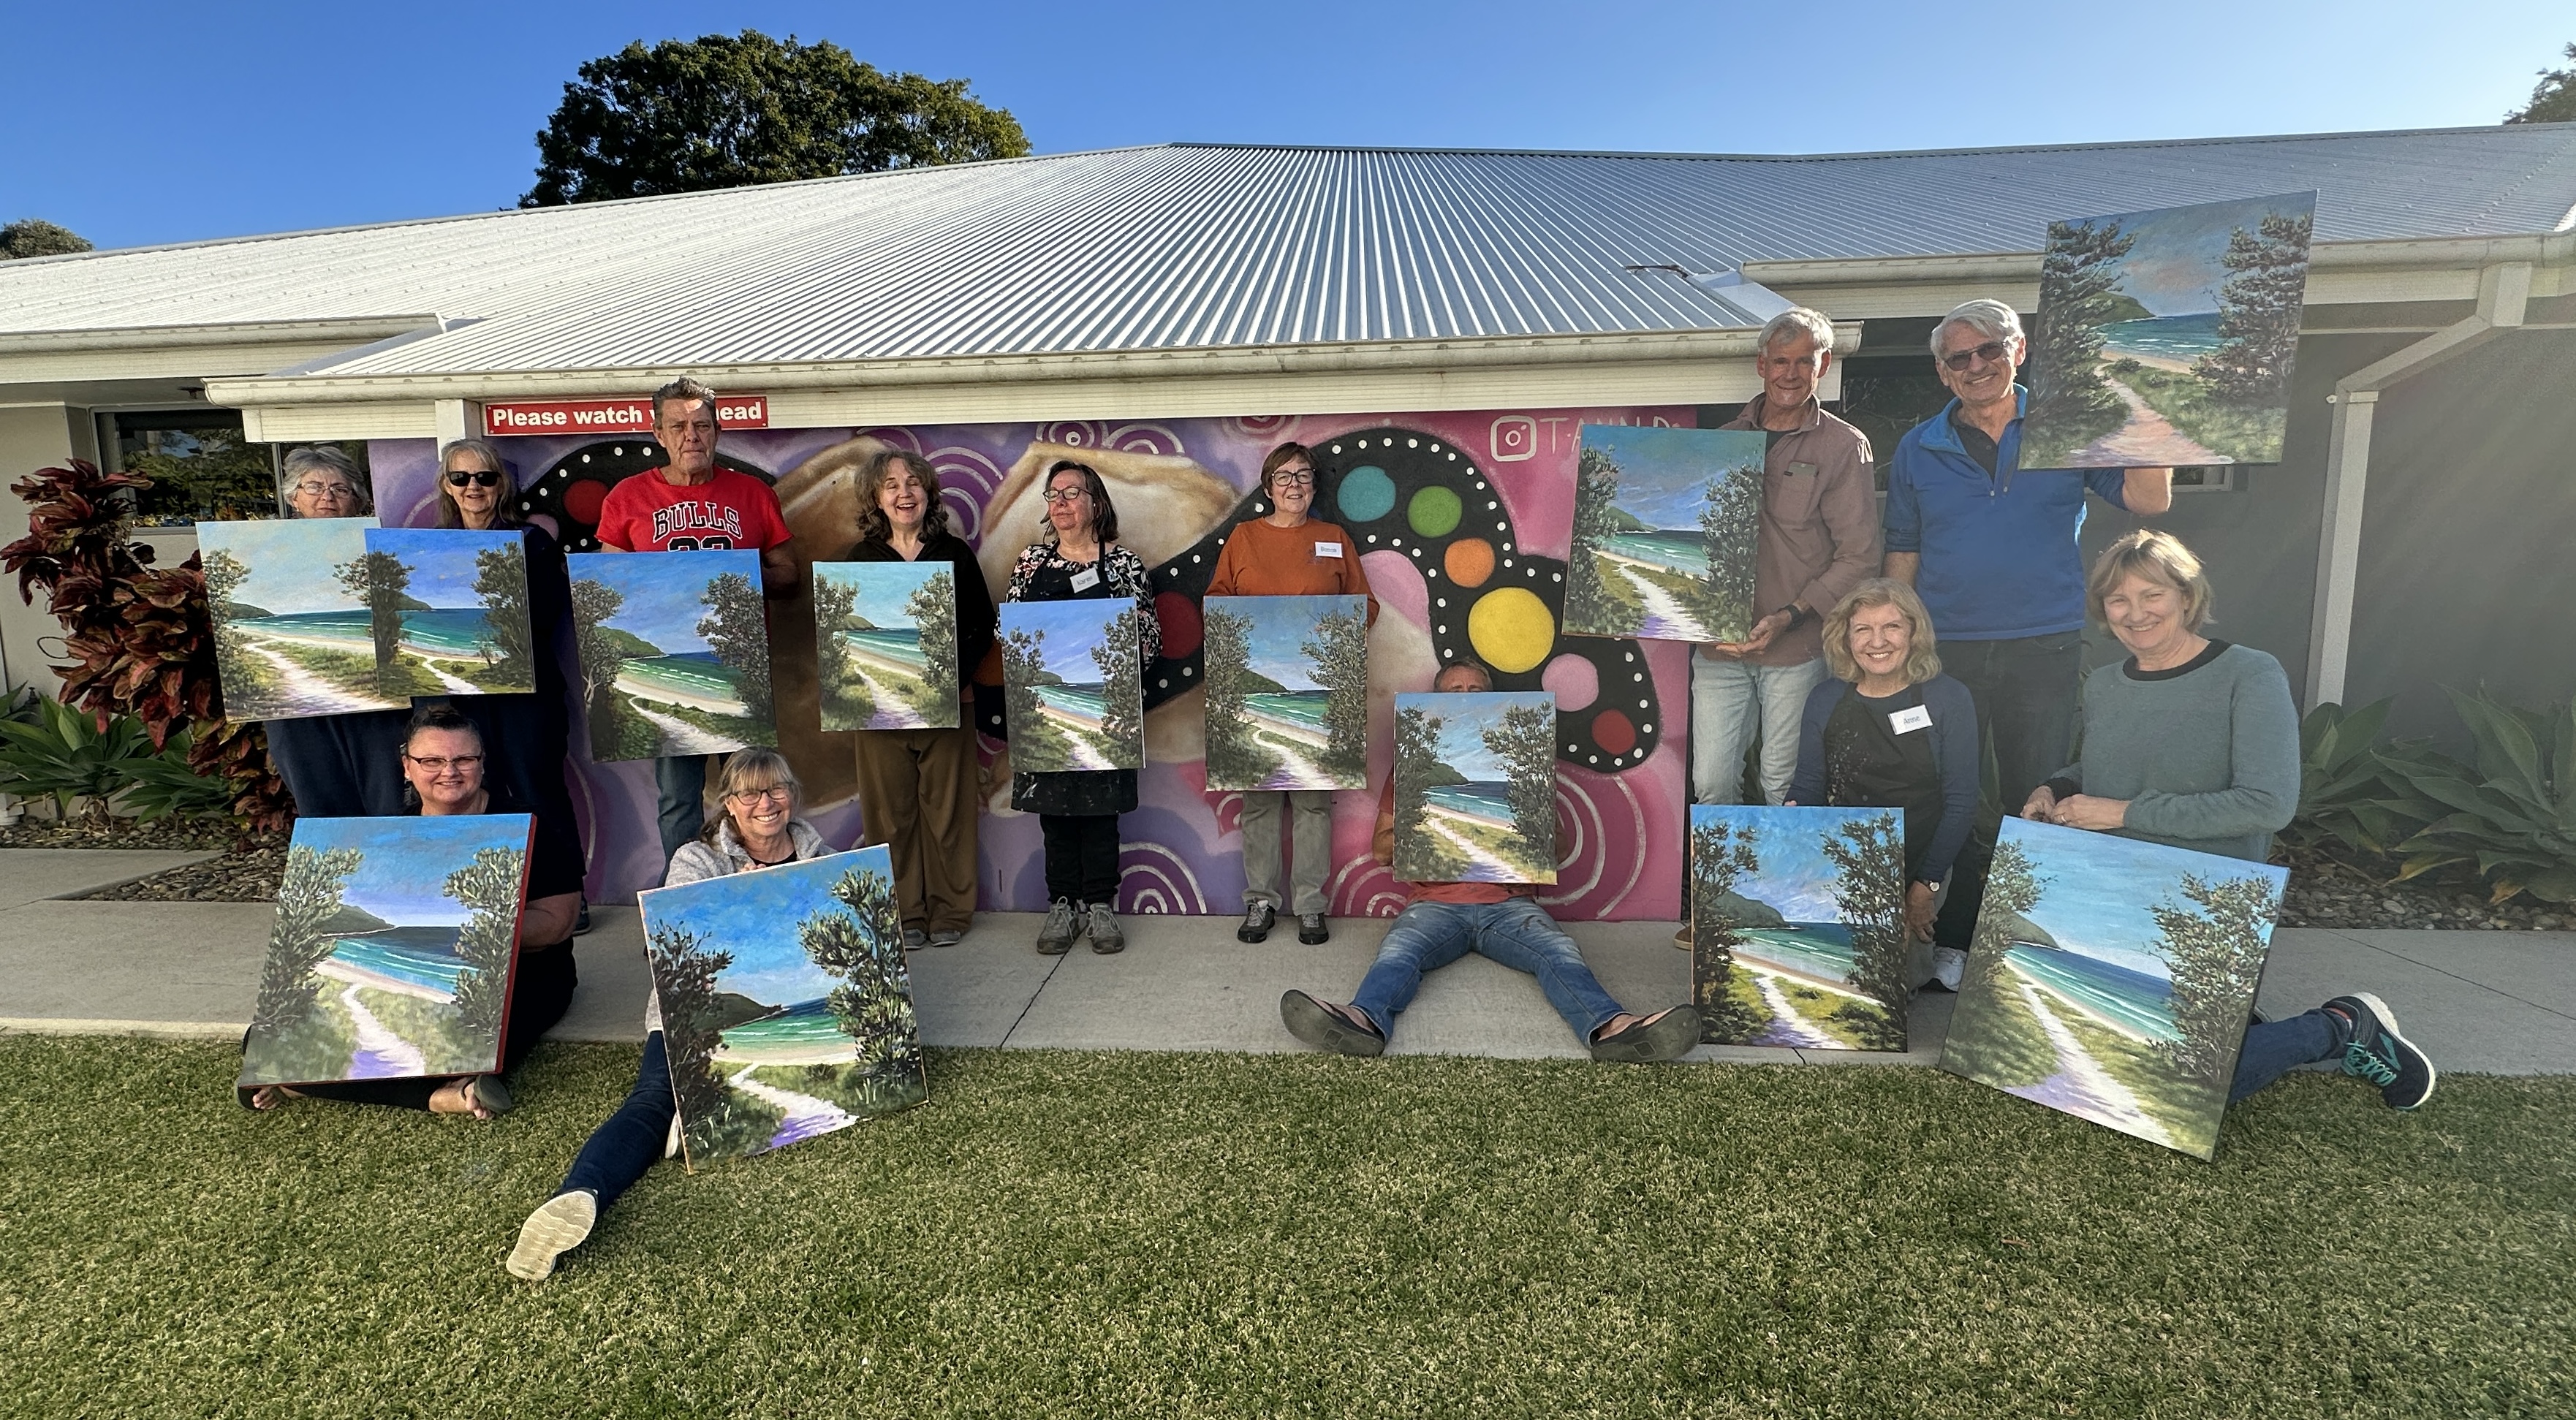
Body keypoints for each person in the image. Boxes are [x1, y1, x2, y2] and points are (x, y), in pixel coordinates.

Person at [2020, 531, 2433, 1112]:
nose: (2135, 613)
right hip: (2115, 893)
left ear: (2187, 597)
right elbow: (2103, 765)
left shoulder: (2249, 673)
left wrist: (2124, 812)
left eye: (2152, 594)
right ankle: (2233, 1020)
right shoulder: (2108, 684)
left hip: (2211, 900)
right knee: (2088, 1061)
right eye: (2118, 600)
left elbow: (2268, 802)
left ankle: (2344, 1024)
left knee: (2176, 1092)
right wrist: (2056, 787)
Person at [1884, 299, 2174, 952]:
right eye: (1960, 357)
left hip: (2042, 642)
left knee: (2034, 797)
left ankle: (2024, 950)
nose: (1977, 365)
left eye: (1991, 349)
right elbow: (1904, 547)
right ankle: (1944, 938)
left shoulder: (2068, 428)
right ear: (1942, 372)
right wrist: (1898, 648)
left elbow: (2150, 500)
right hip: (1945, 649)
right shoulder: (1917, 447)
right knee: (1938, 792)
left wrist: (2148, 409)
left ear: (2019, 351)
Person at [505, 748, 831, 1282]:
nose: (765, 803)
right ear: (728, 804)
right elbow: (679, 943)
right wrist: (741, 899)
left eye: (775, 789)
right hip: (692, 1012)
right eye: (749, 793)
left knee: (805, 1070)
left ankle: (702, 1108)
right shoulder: (695, 860)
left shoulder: (821, 856)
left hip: (769, 1013)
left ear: (792, 794)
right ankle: (576, 1195)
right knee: (652, 1100)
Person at [1278, 658, 1702, 1062]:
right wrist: (1437, 817)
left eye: (1476, 690)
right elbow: (1382, 850)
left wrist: (1528, 823)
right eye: (1455, 690)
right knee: (1397, 953)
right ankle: (1362, 1021)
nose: (1466, 696)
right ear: (1436, 702)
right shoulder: (1409, 768)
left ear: (1490, 699)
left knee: (1560, 951)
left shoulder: (1523, 763)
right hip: (1434, 904)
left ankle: (1614, 1027)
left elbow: (1556, 850)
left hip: (1509, 905)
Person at [242, 706, 584, 1118]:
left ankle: (303, 1084)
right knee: (263, 1036)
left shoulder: (529, 823)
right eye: (432, 761)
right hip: (445, 968)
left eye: (463, 760)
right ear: (407, 767)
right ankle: (442, 1099)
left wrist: (474, 928)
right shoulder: (387, 834)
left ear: (481, 764)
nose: (449, 772)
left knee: (457, 1046)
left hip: (525, 974)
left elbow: (557, 925)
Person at [592, 377, 800, 861]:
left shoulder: (753, 494)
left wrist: (740, 575)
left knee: (754, 792)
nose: (692, 436)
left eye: (702, 425)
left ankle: (749, 888)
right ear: (658, 433)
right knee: (676, 801)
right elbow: (605, 589)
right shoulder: (627, 498)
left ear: (718, 431)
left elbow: (789, 576)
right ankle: (683, 908)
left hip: (737, 673)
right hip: (664, 670)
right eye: (679, 425)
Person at [1694, 307, 1881, 808]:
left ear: (1824, 366)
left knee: (1785, 787)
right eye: (1781, 361)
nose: (1791, 374)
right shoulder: (1720, 444)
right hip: (1719, 651)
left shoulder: (1844, 447)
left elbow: (1860, 556)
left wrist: (1790, 615)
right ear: (1762, 365)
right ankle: (1725, 889)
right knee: (1711, 785)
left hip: (1796, 650)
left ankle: (1781, 890)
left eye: (1805, 361)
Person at [1203, 441, 1378, 946]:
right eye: (1284, 476)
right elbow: (1216, 602)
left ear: (1314, 485)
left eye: (1303, 475)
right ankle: (1260, 900)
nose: (1294, 485)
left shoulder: (1333, 537)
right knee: (1258, 800)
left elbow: (1364, 605)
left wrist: (1332, 634)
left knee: (1312, 802)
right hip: (1254, 690)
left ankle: (1310, 904)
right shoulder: (1242, 537)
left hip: (1321, 690)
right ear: (1267, 486)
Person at [1784, 579, 1980, 989]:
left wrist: (1924, 887)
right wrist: (1791, 826)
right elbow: (1808, 786)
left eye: (1891, 627)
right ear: (1846, 637)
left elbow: (1961, 803)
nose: (1878, 642)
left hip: (1921, 862)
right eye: (1863, 629)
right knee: (1822, 979)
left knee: (1888, 988)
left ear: (1913, 632)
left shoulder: (1948, 698)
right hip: (1843, 861)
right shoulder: (1825, 698)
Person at [1004, 460, 1162, 954]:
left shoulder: (1124, 565)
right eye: (1054, 495)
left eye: (1072, 493)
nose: (1062, 503)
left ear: (1096, 501)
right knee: (1055, 815)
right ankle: (1061, 905)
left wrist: (1120, 634)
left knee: (1100, 813)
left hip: (1105, 712)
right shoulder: (1031, 562)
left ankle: (1099, 906)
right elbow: (1006, 632)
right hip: (1045, 707)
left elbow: (1151, 640)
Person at [433, 436, 591, 933]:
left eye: (485, 476)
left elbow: (547, 616)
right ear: (447, 485)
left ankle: (566, 897)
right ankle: (483, 900)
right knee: (466, 793)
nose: (473, 486)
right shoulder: (428, 548)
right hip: (456, 695)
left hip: (528, 695)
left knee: (537, 790)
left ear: (501, 484)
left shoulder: (533, 541)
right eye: (461, 477)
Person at [843, 449, 996, 949]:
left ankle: (951, 911)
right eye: (891, 484)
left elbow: (980, 625)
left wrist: (949, 679)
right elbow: (844, 635)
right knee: (889, 814)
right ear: (876, 498)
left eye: (913, 482)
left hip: (951, 701)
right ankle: (905, 912)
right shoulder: (859, 560)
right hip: (879, 706)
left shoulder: (955, 554)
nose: (904, 492)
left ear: (928, 492)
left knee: (949, 811)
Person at [279, 444, 371, 520]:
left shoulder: (372, 540)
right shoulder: (278, 540)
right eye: (314, 487)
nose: (327, 497)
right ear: (294, 499)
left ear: (357, 501)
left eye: (340, 490)